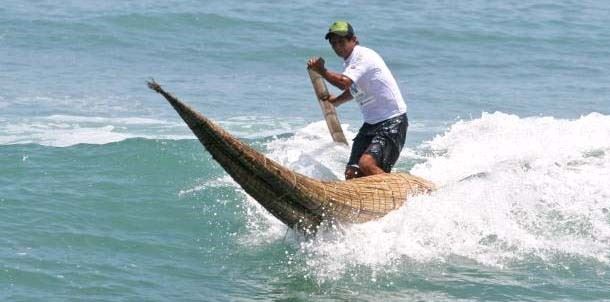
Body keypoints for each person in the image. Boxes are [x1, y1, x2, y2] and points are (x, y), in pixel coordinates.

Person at [307, 21, 408, 180]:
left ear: (354, 40)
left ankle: (403, 191)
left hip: (392, 121)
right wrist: (338, 101)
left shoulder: (362, 56)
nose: (337, 47)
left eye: (341, 42)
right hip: (371, 124)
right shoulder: (350, 61)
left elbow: (344, 82)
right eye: (333, 43)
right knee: (351, 174)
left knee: (366, 164)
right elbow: (357, 89)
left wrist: (322, 70)